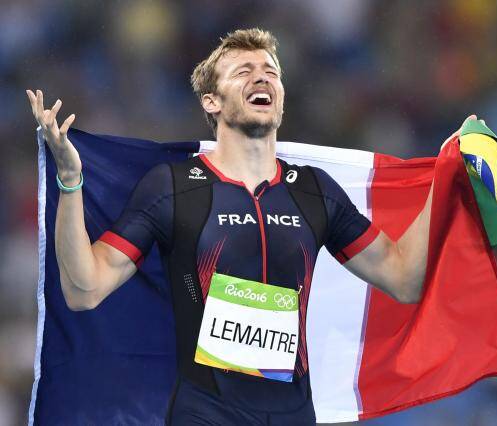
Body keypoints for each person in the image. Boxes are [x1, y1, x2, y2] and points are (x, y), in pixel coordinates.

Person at [26, 28, 470, 425]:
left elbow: (404, 277)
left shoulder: (313, 191)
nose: (262, 77)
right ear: (211, 101)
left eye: (270, 71)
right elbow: (84, 289)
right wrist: (70, 182)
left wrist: (448, 174)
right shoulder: (175, 188)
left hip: (295, 415)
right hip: (205, 414)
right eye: (243, 70)